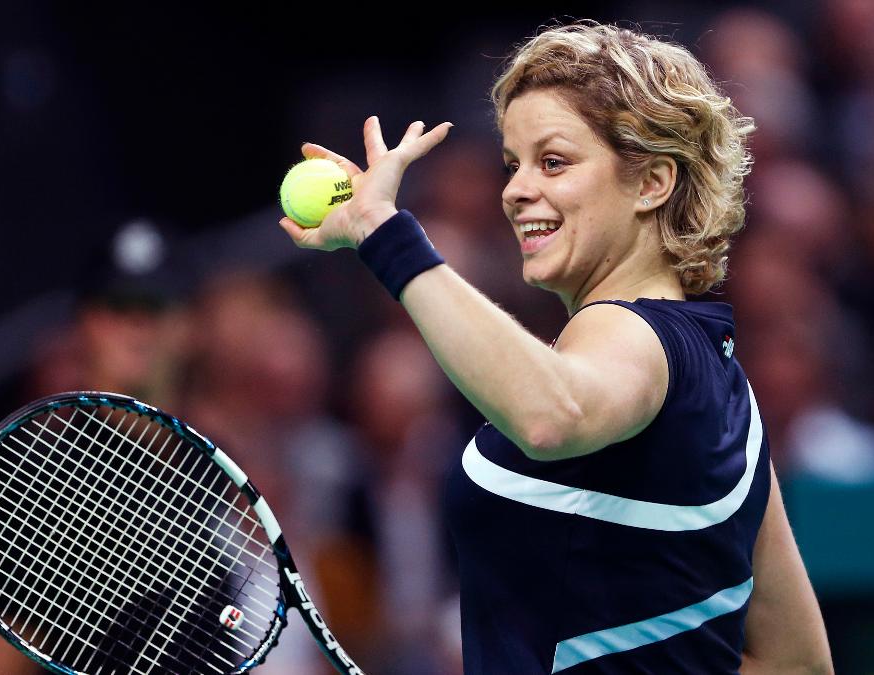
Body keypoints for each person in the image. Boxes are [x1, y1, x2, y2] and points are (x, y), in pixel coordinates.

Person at [278, 21, 833, 674]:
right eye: (513, 164)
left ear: (652, 182)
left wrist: (384, 232)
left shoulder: (635, 334)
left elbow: (551, 414)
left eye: (554, 162)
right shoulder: (725, 383)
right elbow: (798, 662)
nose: (515, 190)